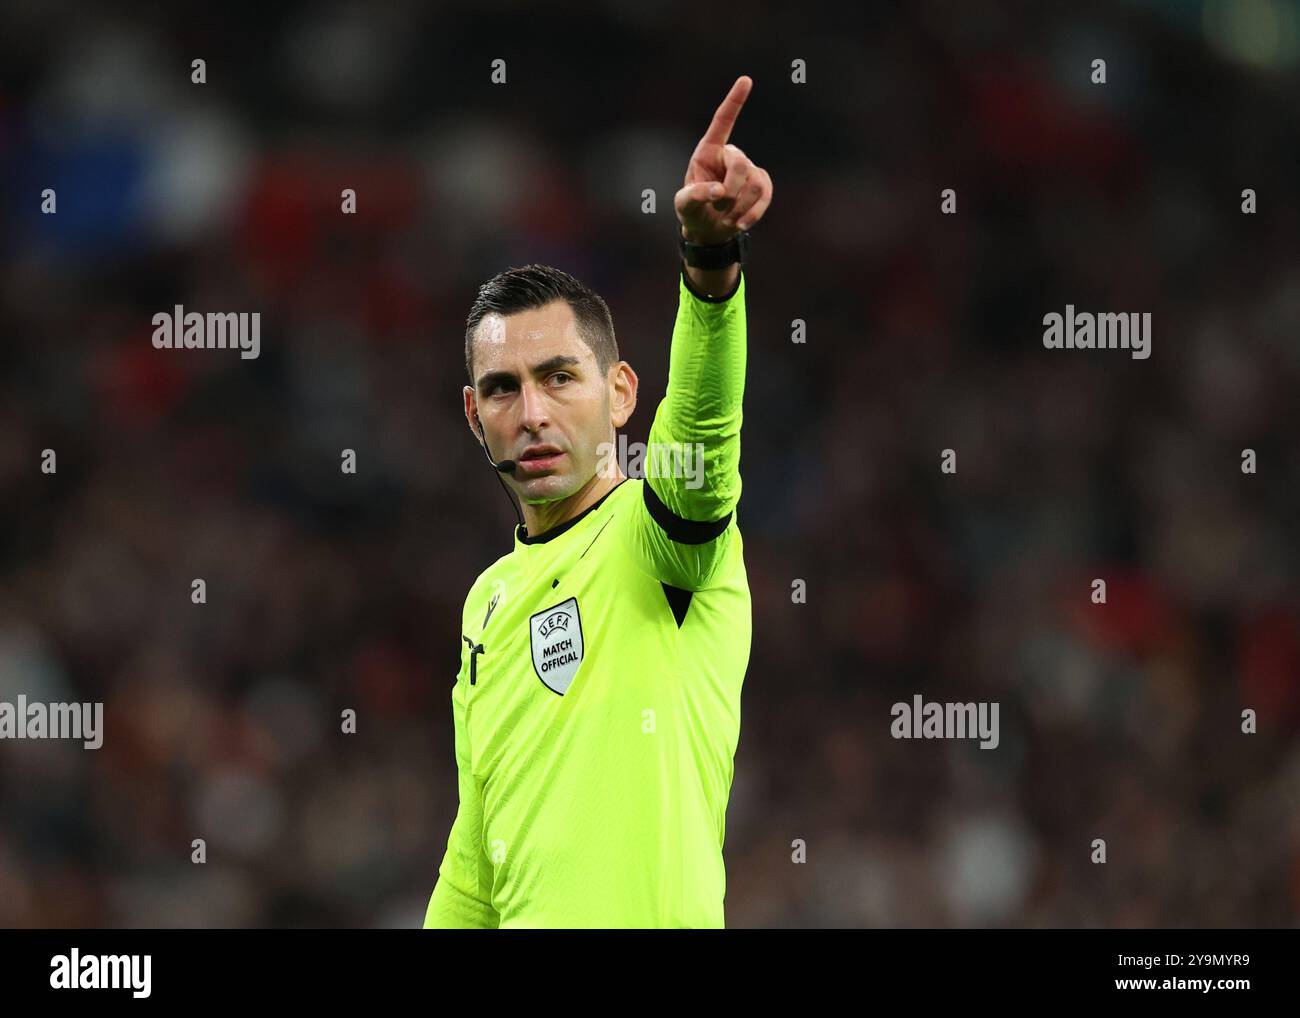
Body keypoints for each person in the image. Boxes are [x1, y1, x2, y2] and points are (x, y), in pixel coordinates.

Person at [423, 75, 773, 927]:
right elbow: (475, 859)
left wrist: (710, 268)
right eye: (502, 389)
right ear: (476, 416)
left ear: (620, 394)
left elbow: (700, 429)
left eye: (559, 378)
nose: (532, 412)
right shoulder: (486, 602)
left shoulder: (666, 546)